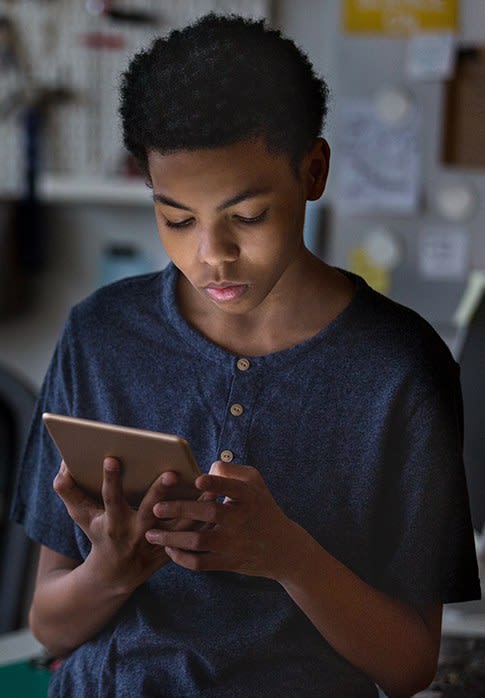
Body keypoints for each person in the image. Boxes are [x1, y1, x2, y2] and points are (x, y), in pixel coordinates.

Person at [11, 12, 480, 698]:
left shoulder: (399, 368)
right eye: (176, 218)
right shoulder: (102, 335)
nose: (212, 254)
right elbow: (49, 627)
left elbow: (407, 666)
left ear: (312, 171)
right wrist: (110, 570)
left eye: (248, 216)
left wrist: (289, 558)